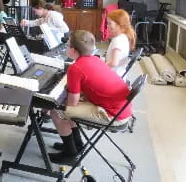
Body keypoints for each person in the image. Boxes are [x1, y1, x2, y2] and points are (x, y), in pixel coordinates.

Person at [48, 30, 133, 165]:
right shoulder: (94, 59)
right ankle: (77, 144)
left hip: (113, 116)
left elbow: (72, 104)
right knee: (66, 107)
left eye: (68, 45)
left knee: (56, 111)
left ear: (74, 50)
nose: (66, 47)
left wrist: (59, 101)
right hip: (122, 109)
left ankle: (70, 154)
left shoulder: (75, 68)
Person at [106, 9, 136, 78]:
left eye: (110, 23)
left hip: (113, 77)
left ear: (119, 24)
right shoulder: (124, 37)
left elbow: (114, 63)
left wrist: (101, 67)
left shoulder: (118, 40)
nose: (107, 26)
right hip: (119, 75)